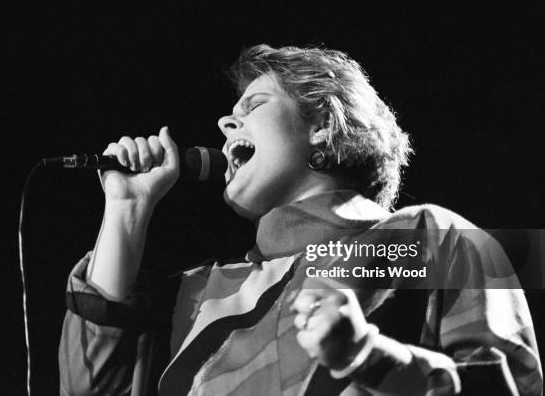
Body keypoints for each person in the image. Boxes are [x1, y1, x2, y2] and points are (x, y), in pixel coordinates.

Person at [59, 45, 542, 395]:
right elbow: (91, 387)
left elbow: (501, 386)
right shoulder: (203, 290)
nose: (226, 125)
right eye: (229, 115)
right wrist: (126, 208)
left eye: (255, 105)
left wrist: (367, 356)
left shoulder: (427, 241)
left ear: (323, 125)